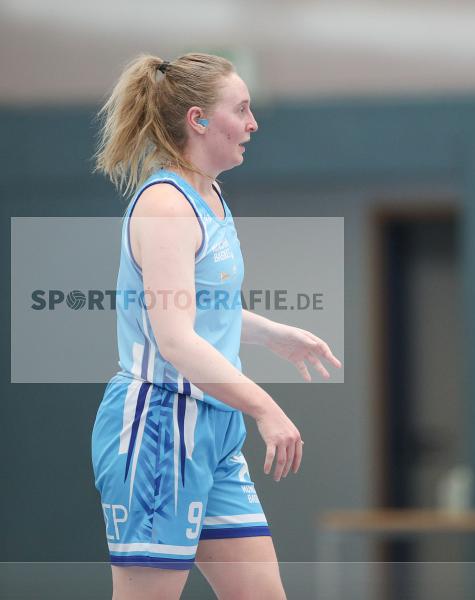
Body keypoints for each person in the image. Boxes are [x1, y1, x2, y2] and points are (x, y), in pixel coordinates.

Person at [91, 53, 342, 599]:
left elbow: (203, 308)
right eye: (243, 109)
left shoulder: (210, 195)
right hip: (158, 428)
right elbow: (175, 339)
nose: (254, 123)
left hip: (211, 429)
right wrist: (266, 406)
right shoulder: (166, 205)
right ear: (199, 119)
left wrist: (274, 333)